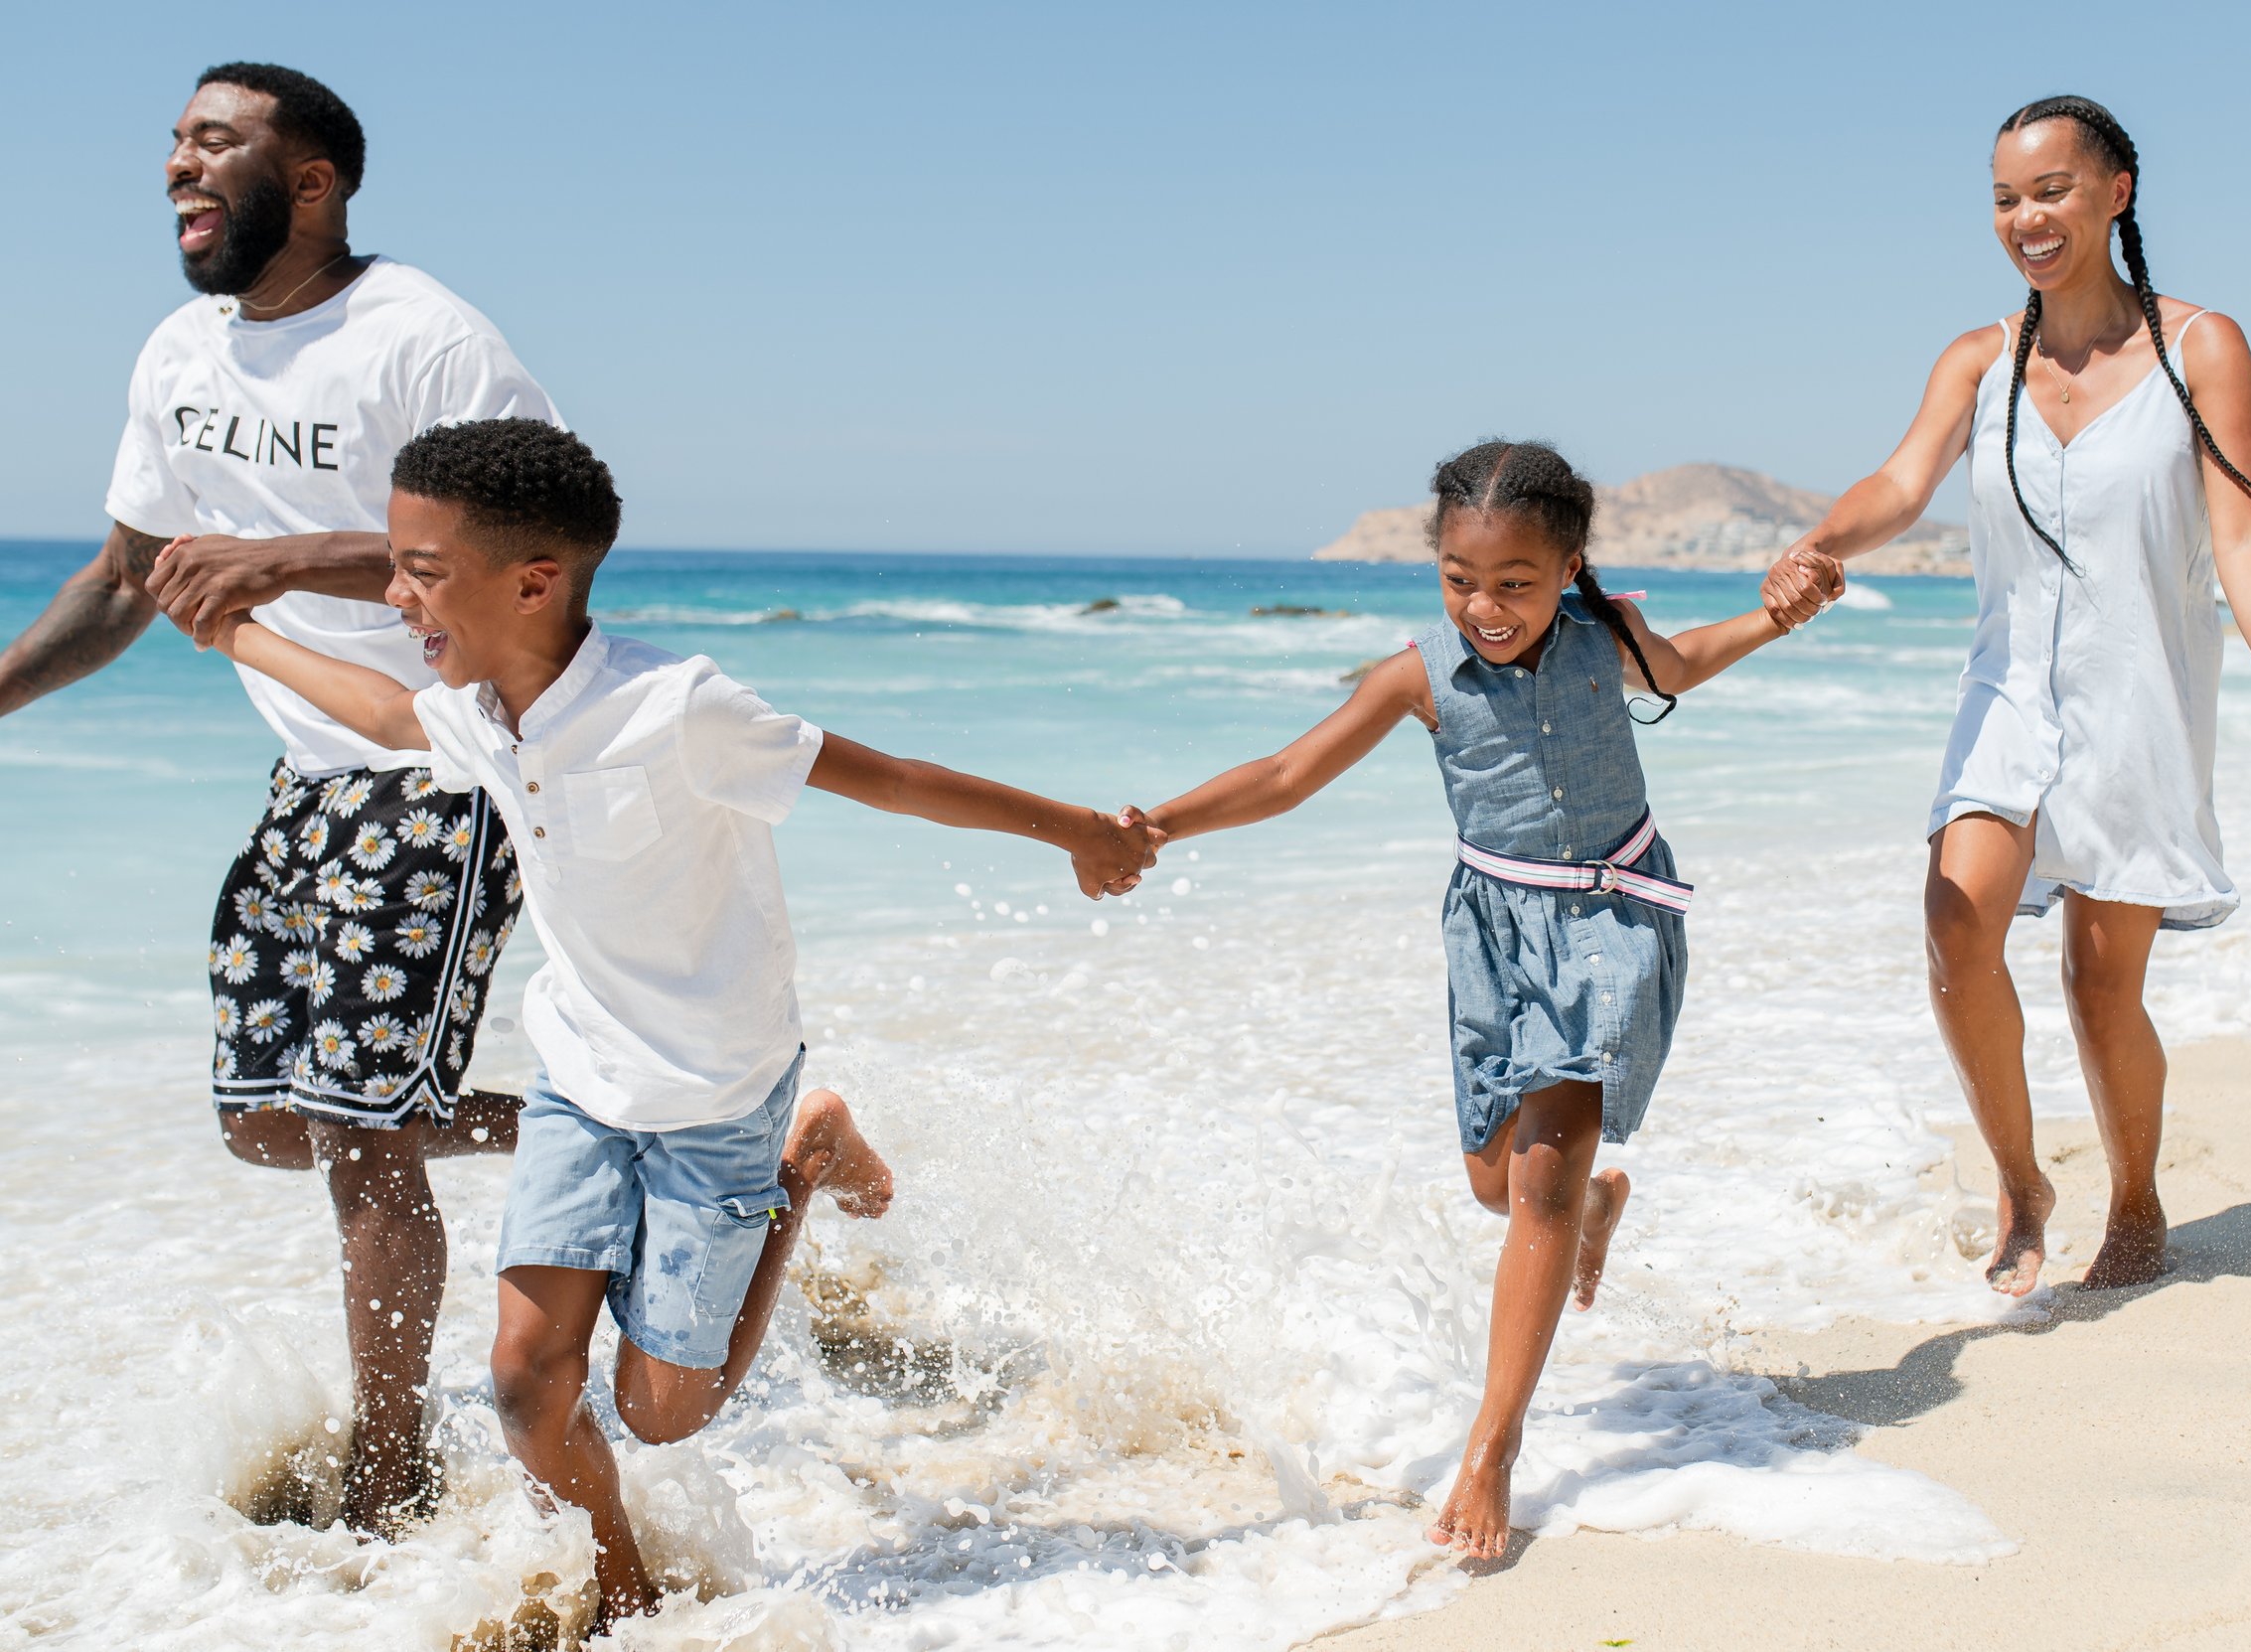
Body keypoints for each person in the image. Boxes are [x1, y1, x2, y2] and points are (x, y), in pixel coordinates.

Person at [203, 416, 1159, 1623]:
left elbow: (892, 780)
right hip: (581, 1080)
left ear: (535, 581)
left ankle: (800, 1159)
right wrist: (238, 632)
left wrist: (1075, 828)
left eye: (421, 572)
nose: (393, 595)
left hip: (718, 1089)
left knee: (665, 1411)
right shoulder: (482, 709)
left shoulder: (679, 708)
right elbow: (388, 715)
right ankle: (621, 1580)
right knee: (521, 1383)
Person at [0, 63, 560, 1532]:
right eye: (174, 141)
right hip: (307, 773)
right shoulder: (179, 353)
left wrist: (283, 560)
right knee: (272, 1121)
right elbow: (126, 581)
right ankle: (604, 1118)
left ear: (310, 181)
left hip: (448, 759)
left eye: (215, 141)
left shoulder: (424, 338)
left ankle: (389, 1485)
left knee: (363, 1130)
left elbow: (540, 540)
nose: (180, 164)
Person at [1123, 440, 1839, 1560]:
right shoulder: (1417, 677)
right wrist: (1159, 824)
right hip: (1493, 938)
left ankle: (1491, 1448)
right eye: (1461, 578)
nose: (1485, 605)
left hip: (1610, 920)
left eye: (1513, 580)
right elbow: (1284, 775)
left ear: (1567, 566)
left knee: (1541, 1180)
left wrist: (1778, 618)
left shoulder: (1607, 639)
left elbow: (1684, 665)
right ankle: (1595, 1210)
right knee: (1496, 1184)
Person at [1759, 95, 2251, 1297]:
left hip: (2141, 695)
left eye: (2050, 190)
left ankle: (2135, 1194)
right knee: (1953, 922)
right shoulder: (1980, 359)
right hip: (2006, 689)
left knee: (2097, 978)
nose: (2025, 217)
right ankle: (2022, 1181)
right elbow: (1903, 479)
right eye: (2003, 197)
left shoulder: (2201, 349)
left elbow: (2238, 530)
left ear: (2116, 191)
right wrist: (1820, 540)